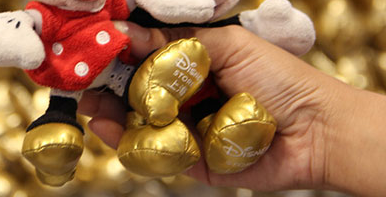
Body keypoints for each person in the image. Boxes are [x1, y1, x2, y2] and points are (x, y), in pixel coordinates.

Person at [77, 22, 386, 197]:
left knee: (195, 96)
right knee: (145, 121)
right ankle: (173, 137)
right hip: (146, 100)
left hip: (199, 87)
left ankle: (227, 136)